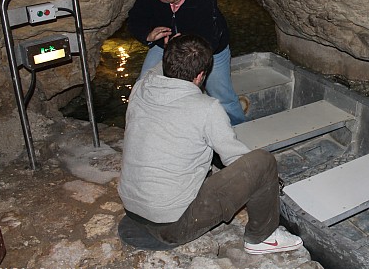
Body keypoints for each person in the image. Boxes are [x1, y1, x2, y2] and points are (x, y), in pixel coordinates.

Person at [117, 34, 303, 255]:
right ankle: (262, 238)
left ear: (167, 61)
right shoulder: (207, 108)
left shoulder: (141, 88)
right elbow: (236, 159)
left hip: (132, 208)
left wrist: (175, 47)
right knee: (262, 162)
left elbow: (159, 67)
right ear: (200, 76)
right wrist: (268, 181)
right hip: (171, 225)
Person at [127, 0, 246, 125]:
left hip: (207, 49)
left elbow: (210, 37)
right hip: (164, 46)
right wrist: (148, 35)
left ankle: (239, 129)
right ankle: (145, 128)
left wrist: (181, 45)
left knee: (222, 96)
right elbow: (135, 18)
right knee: (144, 87)